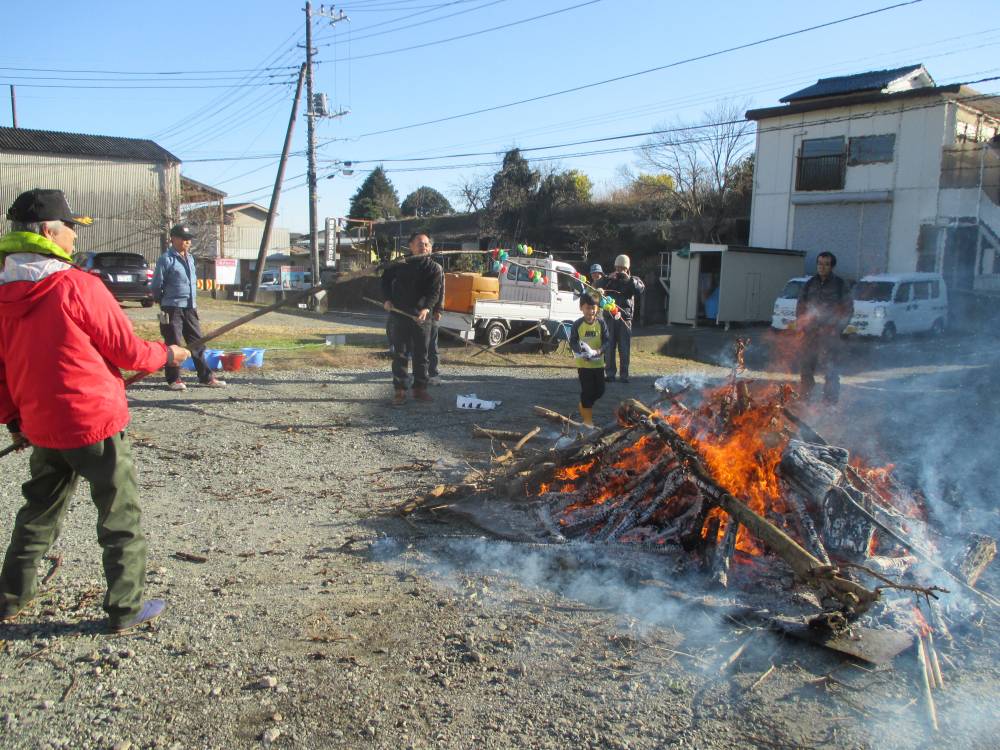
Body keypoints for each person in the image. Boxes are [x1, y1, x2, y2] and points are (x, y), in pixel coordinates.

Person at [0, 188, 190, 632]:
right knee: (119, 516)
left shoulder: (3, 294)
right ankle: (125, 608)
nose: (73, 238)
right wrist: (167, 355)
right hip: (93, 423)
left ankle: (9, 599)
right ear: (48, 232)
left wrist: (13, 421)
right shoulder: (77, 285)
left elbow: (2, 371)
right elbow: (126, 351)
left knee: (37, 513)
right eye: (70, 229)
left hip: (41, 425)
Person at [151, 224, 225, 391]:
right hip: (172, 306)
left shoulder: (191, 258)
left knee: (197, 341)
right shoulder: (166, 259)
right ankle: (174, 379)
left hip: (190, 306)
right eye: (184, 239)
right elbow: (156, 284)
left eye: (189, 239)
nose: (187, 242)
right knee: (173, 343)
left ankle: (206, 376)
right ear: (174, 239)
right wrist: (162, 301)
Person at [381, 232, 444, 405]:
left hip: (422, 317)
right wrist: (387, 299)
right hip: (399, 314)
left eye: (426, 244)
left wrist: (427, 308)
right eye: (419, 243)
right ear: (410, 246)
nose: (423, 246)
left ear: (430, 248)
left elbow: (434, 292)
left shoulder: (434, 268)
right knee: (399, 353)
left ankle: (420, 389)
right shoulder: (400, 263)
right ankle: (400, 390)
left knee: (421, 355)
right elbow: (385, 280)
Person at [796, 251, 852, 404]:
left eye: (826, 264)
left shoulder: (840, 285)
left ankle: (830, 402)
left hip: (830, 334)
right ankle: (805, 398)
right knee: (806, 367)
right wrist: (801, 324)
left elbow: (848, 309)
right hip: (810, 333)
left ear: (831, 266)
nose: (822, 267)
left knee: (831, 369)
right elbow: (800, 306)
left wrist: (837, 328)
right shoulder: (809, 284)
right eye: (820, 263)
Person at [599, 254, 645, 383]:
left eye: (622, 268)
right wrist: (608, 278)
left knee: (624, 348)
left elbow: (640, 289)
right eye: (618, 268)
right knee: (609, 347)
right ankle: (610, 374)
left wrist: (628, 279)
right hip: (609, 317)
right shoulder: (609, 279)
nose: (620, 271)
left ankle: (624, 375)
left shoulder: (633, 280)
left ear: (627, 268)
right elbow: (597, 287)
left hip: (625, 318)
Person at [569, 293, 610, 427]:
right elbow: (573, 341)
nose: (591, 311)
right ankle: (587, 422)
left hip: (598, 363)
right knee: (587, 391)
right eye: (587, 308)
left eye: (593, 308)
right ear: (581, 308)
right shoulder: (577, 324)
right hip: (583, 365)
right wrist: (581, 352)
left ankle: (584, 405)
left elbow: (607, 341)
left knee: (600, 390)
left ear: (597, 308)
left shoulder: (601, 323)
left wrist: (598, 351)